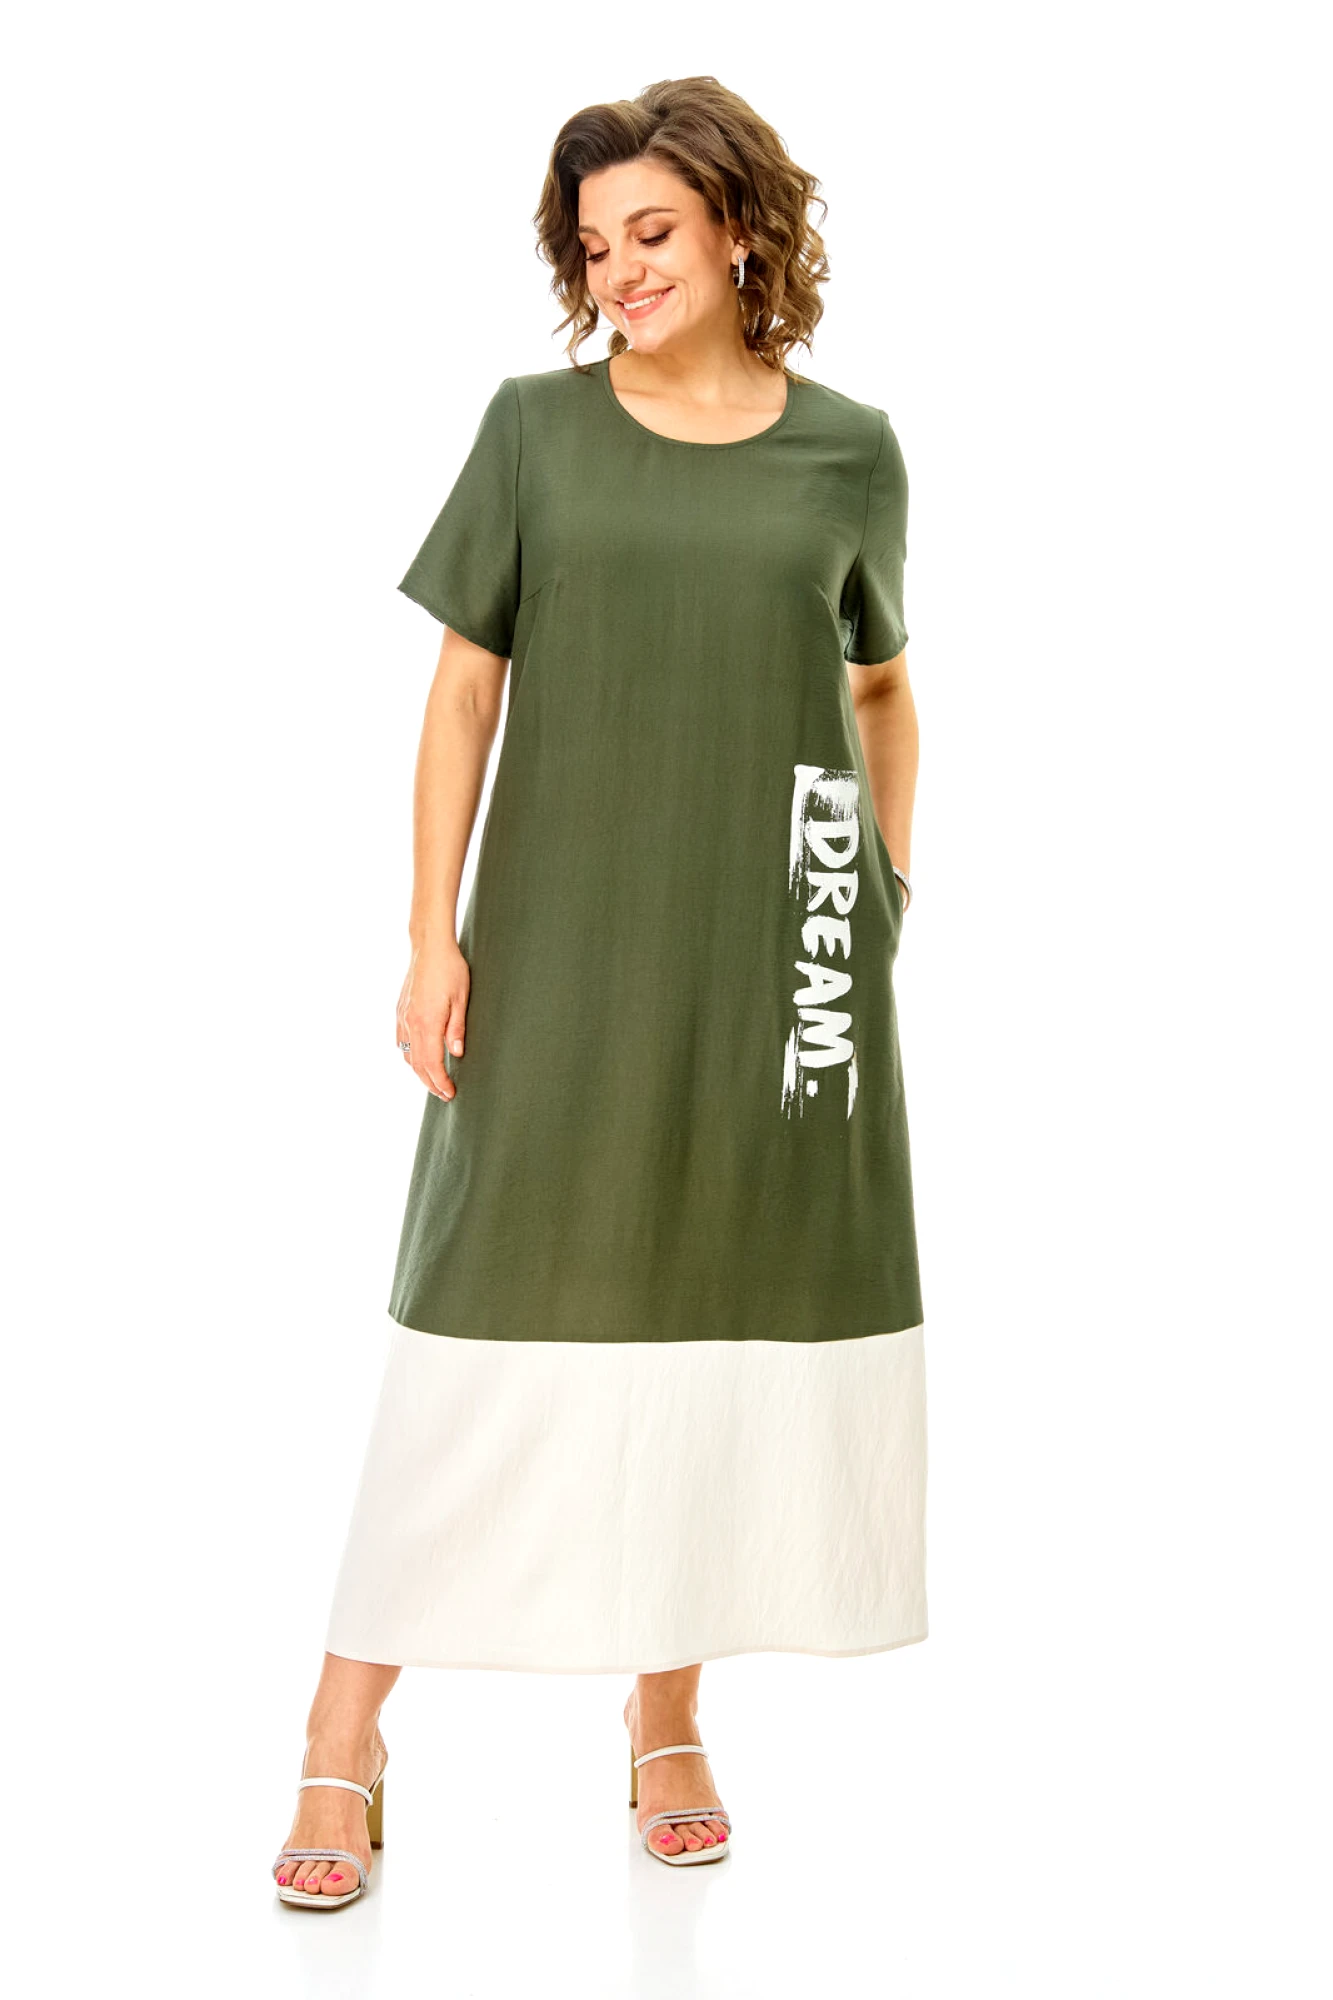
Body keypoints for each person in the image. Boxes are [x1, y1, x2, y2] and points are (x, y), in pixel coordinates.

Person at [272, 73, 927, 1907]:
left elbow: (881, 686)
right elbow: (463, 690)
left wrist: (876, 887)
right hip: (561, 941)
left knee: (713, 1298)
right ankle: (343, 1727)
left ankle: (666, 1712)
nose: (622, 269)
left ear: (737, 229)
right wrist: (431, 935)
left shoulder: (853, 449)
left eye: (654, 231)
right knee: (484, 1299)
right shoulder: (534, 433)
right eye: (595, 244)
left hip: (783, 946)